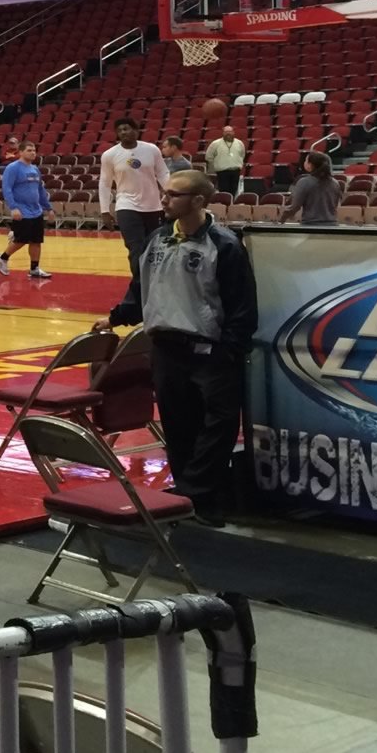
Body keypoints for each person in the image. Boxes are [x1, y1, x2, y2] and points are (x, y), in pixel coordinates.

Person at [109, 169, 257, 527]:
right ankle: (192, 492)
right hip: (165, 348)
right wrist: (118, 316)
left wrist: (230, 350)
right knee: (177, 425)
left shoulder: (224, 245)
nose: (164, 200)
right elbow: (141, 287)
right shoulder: (156, 239)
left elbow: (242, 306)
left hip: (210, 351)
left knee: (219, 425)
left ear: (199, 201)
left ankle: (200, 493)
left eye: (173, 195)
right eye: (165, 193)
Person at [99, 116, 169, 288]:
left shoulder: (151, 150)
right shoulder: (109, 155)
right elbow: (105, 183)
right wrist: (105, 210)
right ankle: (141, 287)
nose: (124, 132)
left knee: (155, 248)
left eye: (127, 128)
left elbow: (163, 173)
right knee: (135, 248)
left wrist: (172, 194)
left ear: (136, 131)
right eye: (120, 130)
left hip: (154, 206)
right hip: (126, 205)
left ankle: (157, 283)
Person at [0, 141, 53, 279]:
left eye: (34, 150)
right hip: (22, 211)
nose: (33, 152)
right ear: (20, 152)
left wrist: (48, 208)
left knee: (36, 241)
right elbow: (7, 188)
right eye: (29, 150)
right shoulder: (13, 168)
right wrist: (13, 207)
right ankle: (2, 258)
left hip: (36, 211)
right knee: (20, 240)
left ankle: (34, 269)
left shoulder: (35, 169)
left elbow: (40, 189)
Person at [284, 150, 341, 225]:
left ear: (310, 165)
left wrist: (282, 218)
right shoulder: (335, 182)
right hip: (332, 224)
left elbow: (295, 206)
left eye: (306, 160)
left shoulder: (304, 182)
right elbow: (335, 206)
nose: (304, 162)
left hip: (311, 224)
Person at [203, 125, 246, 196]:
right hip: (222, 172)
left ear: (233, 132)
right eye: (226, 132)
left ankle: (231, 206)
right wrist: (217, 165)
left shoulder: (239, 143)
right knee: (223, 192)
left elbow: (242, 155)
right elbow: (208, 157)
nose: (228, 133)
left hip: (235, 171)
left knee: (234, 191)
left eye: (230, 131)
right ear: (223, 133)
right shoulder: (215, 144)